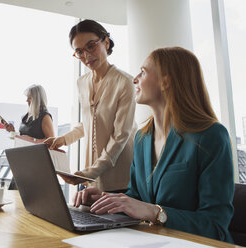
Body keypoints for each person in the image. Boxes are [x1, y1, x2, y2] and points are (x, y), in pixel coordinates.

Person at [73, 47, 234, 242]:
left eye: (143, 72)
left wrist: (156, 213)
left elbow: (216, 226)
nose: (135, 79)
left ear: (166, 81)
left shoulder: (211, 136)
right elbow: (137, 197)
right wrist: (107, 200)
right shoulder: (142, 139)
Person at [45, 20, 137, 192]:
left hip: (120, 177)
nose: (86, 56)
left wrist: (89, 173)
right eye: (79, 52)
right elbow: (88, 124)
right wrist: (62, 140)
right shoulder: (82, 82)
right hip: (90, 177)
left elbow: (120, 136)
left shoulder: (125, 82)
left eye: (91, 46)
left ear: (106, 42)